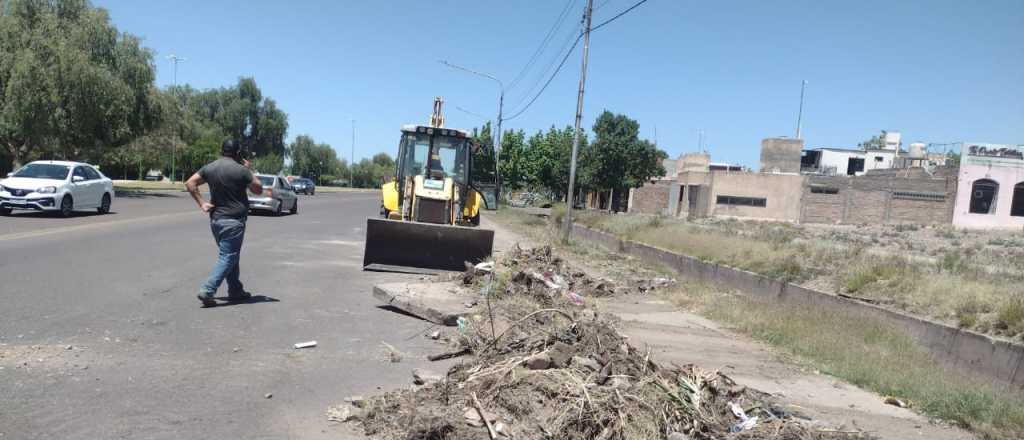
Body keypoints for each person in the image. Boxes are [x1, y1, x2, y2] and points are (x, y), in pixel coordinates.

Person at [185, 139, 263, 307]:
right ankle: (208, 290)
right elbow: (258, 189)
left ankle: (235, 290)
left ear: (222, 150)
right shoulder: (241, 170)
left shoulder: (210, 167)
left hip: (216, 221)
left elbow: (190, 183)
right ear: (238, 153)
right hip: (233, 222)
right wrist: (249, 169)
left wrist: (202, 203)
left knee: (231, 255)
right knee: (228, 256)